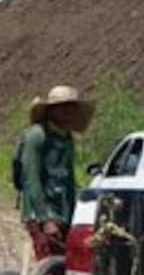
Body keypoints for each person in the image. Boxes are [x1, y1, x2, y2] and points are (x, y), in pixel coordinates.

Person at [19, 85, 94, 260]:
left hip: (63, 211)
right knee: (49, 265)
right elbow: (31, 179)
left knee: (68, 262)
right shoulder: (37, 135)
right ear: (51, 110)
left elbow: (68, 178)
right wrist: (45, 219)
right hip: (43, 213)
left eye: (71, 108)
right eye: (63, 108)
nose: (68, 112)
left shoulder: (66, 138)